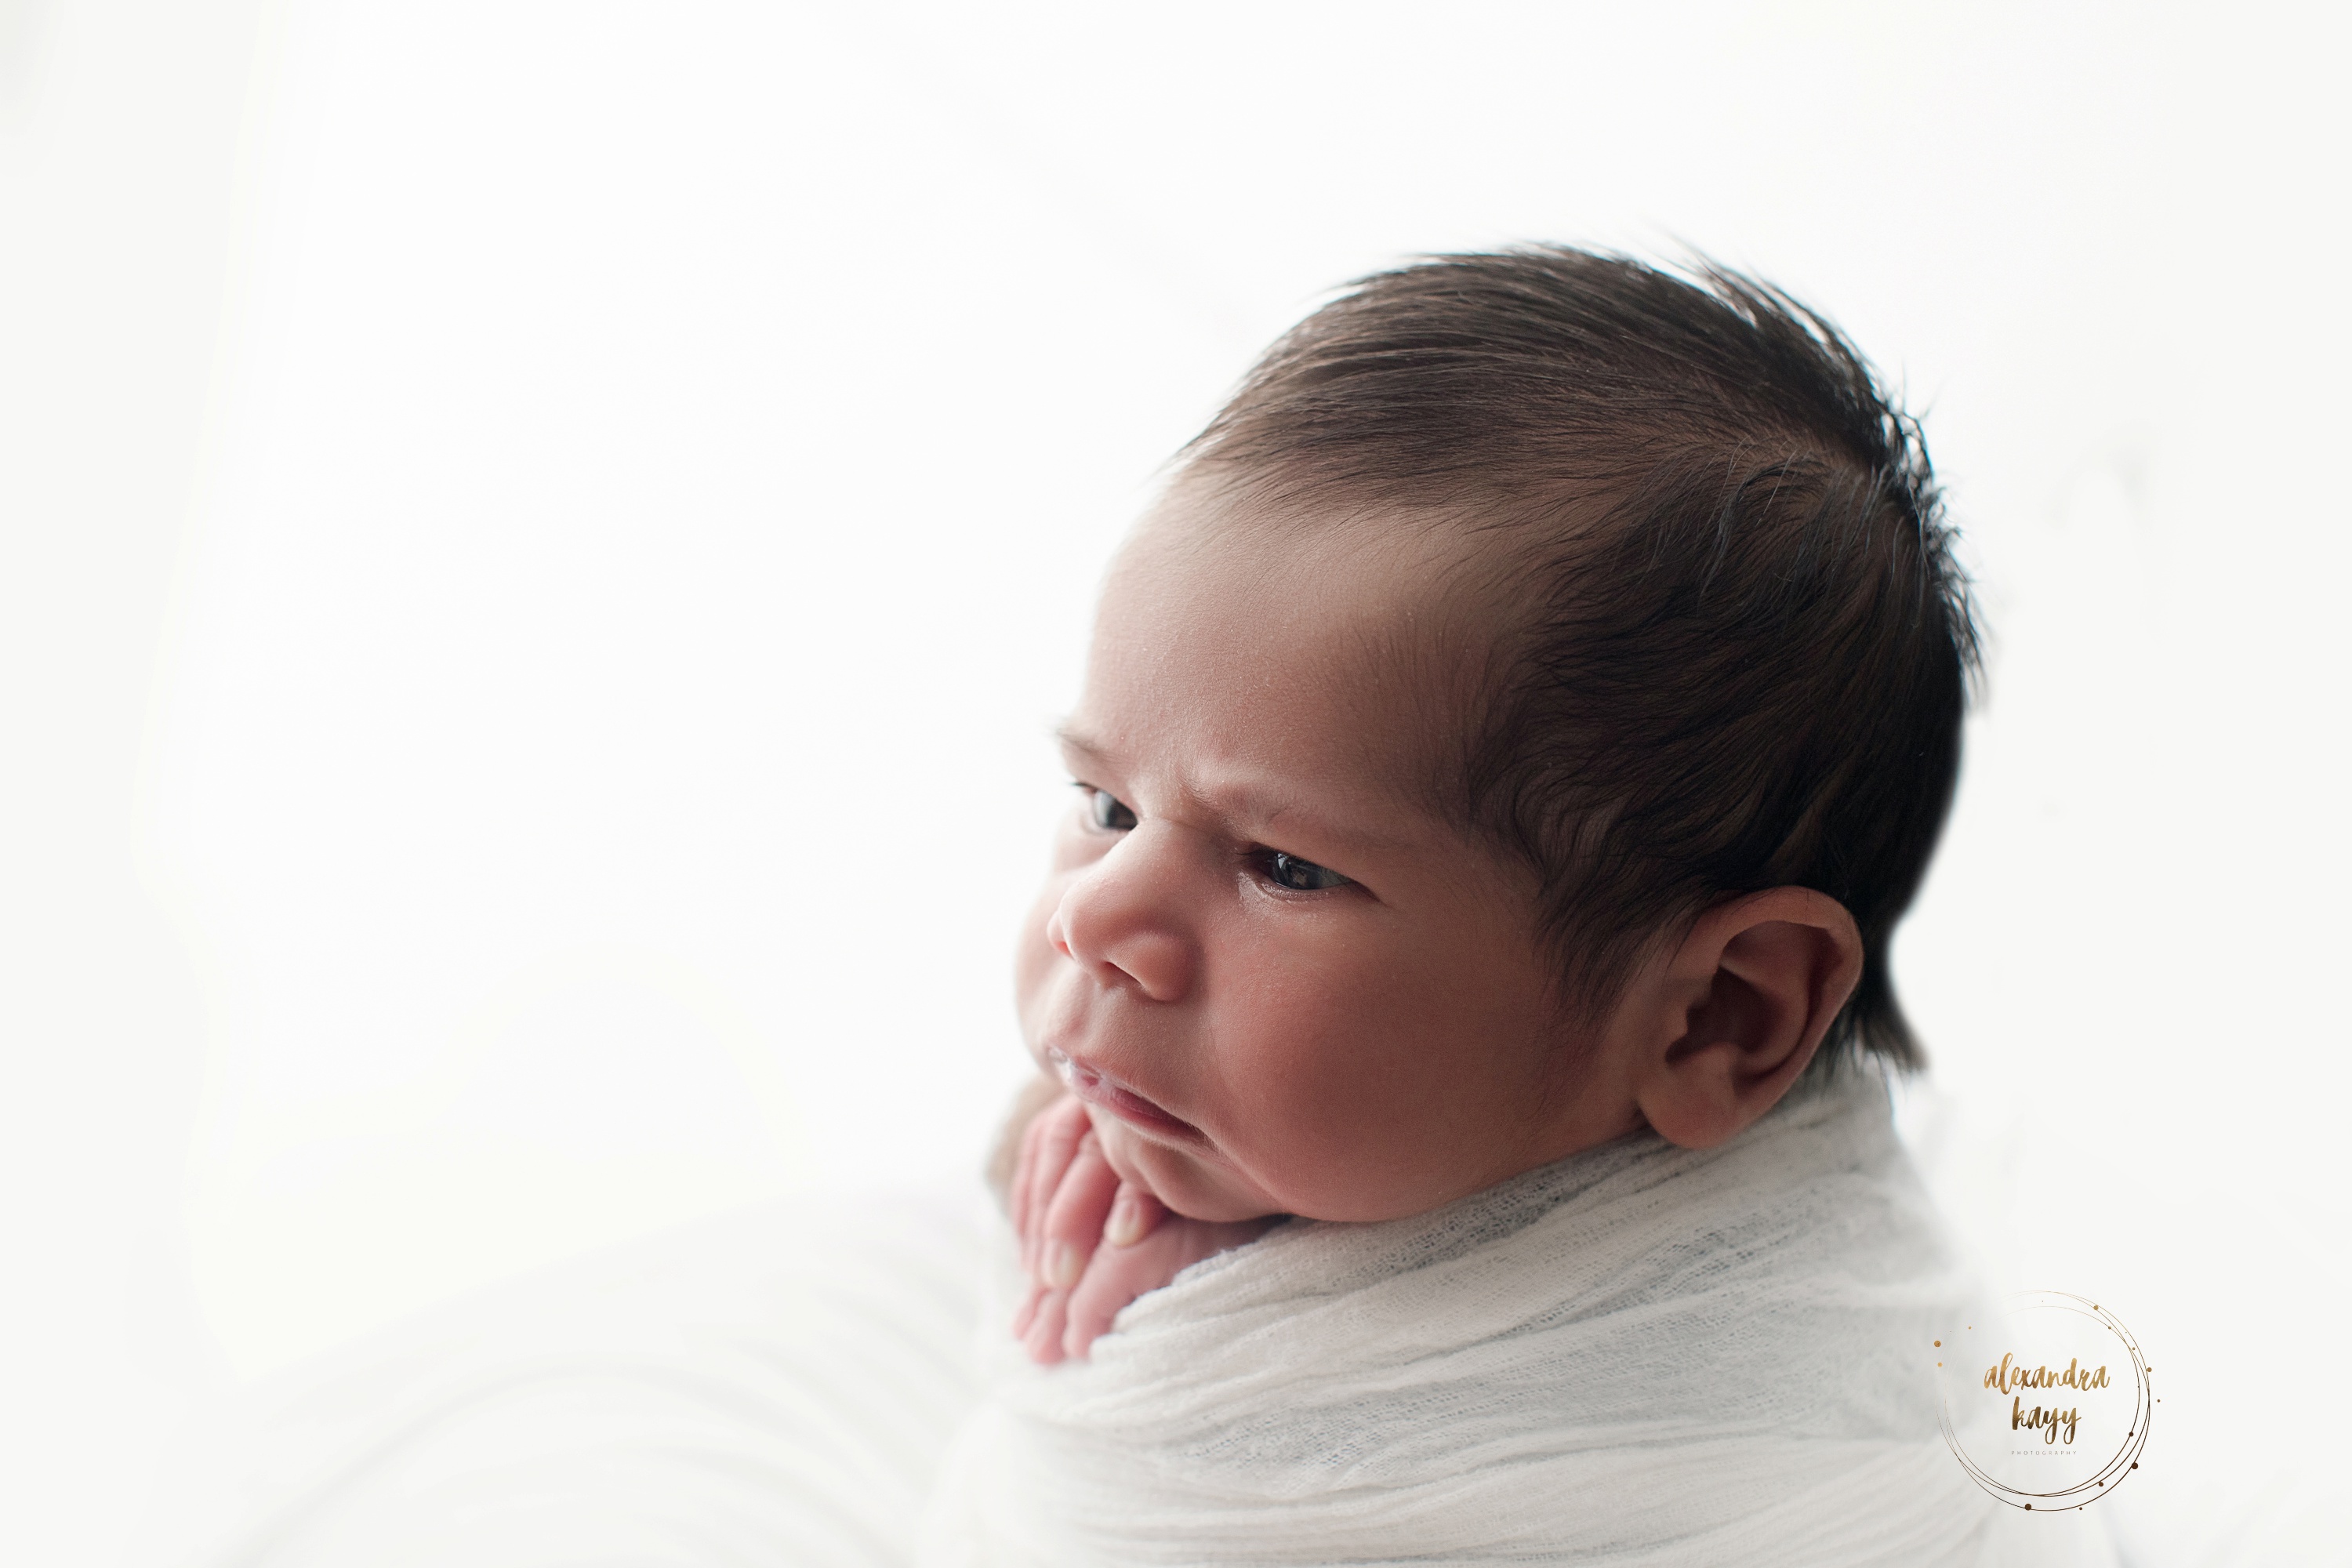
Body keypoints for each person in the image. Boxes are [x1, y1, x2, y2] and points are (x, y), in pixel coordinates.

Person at [927, 247, 2114, 1564]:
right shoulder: (1437, 1107)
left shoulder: (1676, 1427)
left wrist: (1198, 1282)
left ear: (1720, 1016)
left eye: (1285, 868)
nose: (1093, 919)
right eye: (1105, 805)